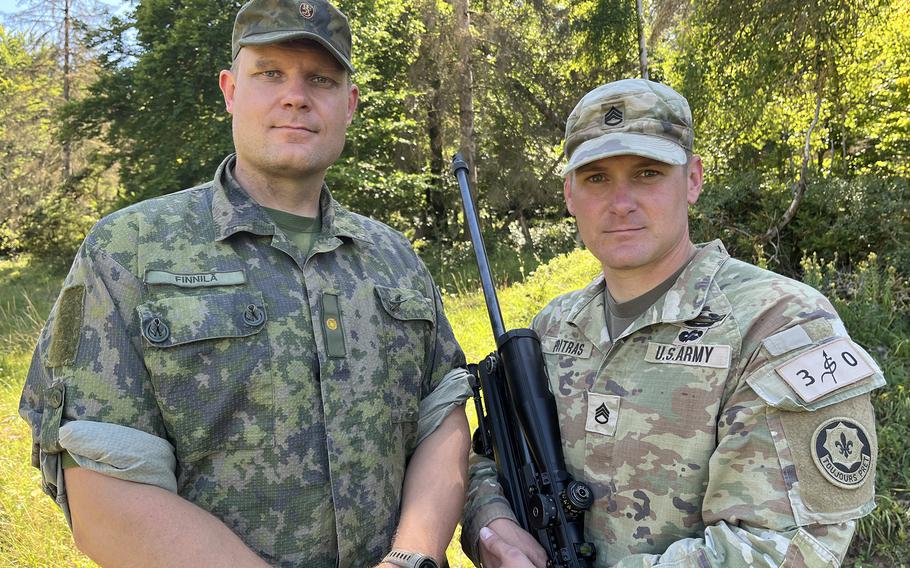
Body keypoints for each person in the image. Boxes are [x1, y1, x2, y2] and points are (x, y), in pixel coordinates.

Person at [19, 1, 472, 566]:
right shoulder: (128, 250)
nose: (296, 96)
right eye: (270, 74)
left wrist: (412, 556)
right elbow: (103, 487)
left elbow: (442, 417)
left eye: (321, 79)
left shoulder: (393, 257)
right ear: (231, 90)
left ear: (349, 104)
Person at [462, 79, 885, 567]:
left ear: (693, 180)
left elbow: (787, 548)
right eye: (596, 178)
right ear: (570, 195)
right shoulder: (553, 327)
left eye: (647, 173)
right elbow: (496, 462)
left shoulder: (780, 324)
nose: (620, 202)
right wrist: (491, 527)